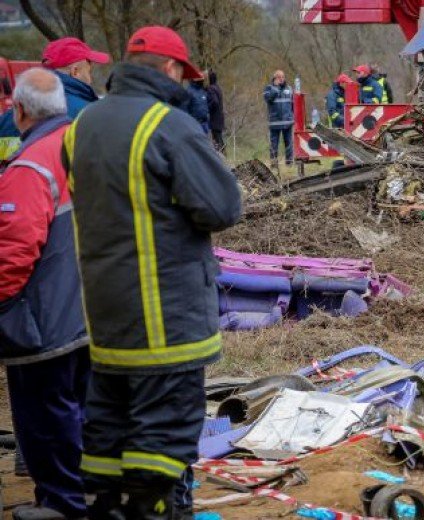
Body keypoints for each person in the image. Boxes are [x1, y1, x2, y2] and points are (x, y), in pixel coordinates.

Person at [62, 26, 242, 520]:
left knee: (109, 422)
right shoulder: (170, 126)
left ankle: (106, 506)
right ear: (170, 70)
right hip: (165, 314)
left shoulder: (82, 126)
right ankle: (154, 508)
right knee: (164, 428)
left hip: (104, 311)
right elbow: (222, 206)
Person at [0, 68, 90, 520]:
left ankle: (62, 504)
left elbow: (13, 252)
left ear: (18, 111)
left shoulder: (31, 164)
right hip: (94, 310)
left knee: (44, 420)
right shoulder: (86, 145)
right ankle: (85, 497)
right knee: (82, 410)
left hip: (44, 321)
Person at [0, 37, 110, 161]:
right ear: (75, 72)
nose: (91, 79)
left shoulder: (11, 117)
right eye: (89, 72)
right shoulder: (88, 113)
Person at [263, 69, 294, 166]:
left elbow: (293, 104)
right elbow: (268, 99)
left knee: (289, 144)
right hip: (275, 122)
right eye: (279, 77)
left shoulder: (289, 88)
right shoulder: (268, 88)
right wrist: (276, 88)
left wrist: (292, 117)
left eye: (283, 77)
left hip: (287, 122)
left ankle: (289, 164)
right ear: (274, 78)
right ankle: (274, 164)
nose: (281, 79)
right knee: (274, 145)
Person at [206, 70, 225, 152]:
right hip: (220, 117)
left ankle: (221, 158)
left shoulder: (211, 89)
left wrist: (208, 108)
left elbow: (215, 101)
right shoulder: (218, 88)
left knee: (217, 139)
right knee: (219, 138)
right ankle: (224, 157)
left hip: (215, 118)